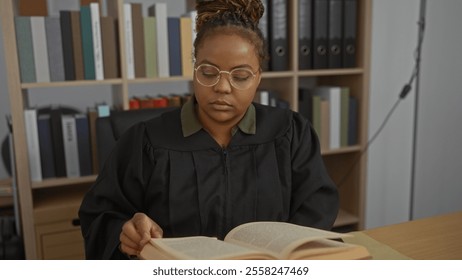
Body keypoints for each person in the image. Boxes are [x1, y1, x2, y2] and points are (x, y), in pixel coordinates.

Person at [78, 0, 339, 260]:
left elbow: (316, 210)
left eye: (240, 76)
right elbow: (101, 215)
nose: (222, 87)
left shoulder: (291, 134)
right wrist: (126, 232)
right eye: (209, 72)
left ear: (258, 77)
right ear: (194, 69)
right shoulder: (145, 140)